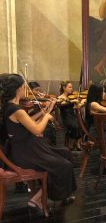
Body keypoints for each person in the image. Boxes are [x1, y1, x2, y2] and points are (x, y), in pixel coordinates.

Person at [0, 74, 76, 214]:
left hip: (22, 149)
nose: (26, 89)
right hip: (25, 153)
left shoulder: (11, 107)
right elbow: (37, 129)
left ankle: (59, 193)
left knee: (65, 153)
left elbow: (27, 122)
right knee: (63, 165)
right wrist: (47, 117)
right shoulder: (17, 110)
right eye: (24, 86)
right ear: (18, 89)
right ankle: (38, 198)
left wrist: (44, 112)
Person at [58, 81, 83, 150]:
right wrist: (71, 101)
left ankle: (77, 142)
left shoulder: (71, 96)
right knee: (74, 126)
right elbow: (60, 105)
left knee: (83, 125)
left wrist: (79, 103)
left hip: (73, 116)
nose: (71, 89)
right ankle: (72, 142)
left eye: (71, 87)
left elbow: (76, 106)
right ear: (64, 88)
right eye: (69, 87)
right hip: (66, 117)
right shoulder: (60, 97)